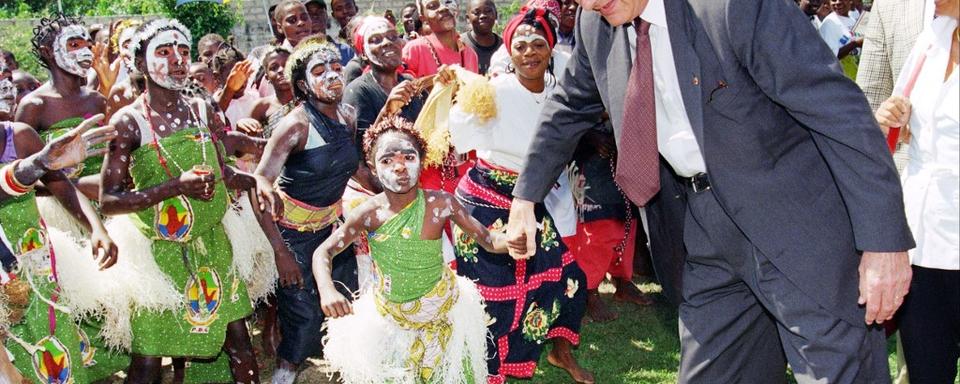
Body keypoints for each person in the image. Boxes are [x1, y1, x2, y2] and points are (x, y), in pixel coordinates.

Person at [504, 0, 915, 382]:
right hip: (704, 235)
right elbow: (569, 106)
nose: (591, 3)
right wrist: (525, 198)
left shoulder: (734, 6)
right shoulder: (599, 24)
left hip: (800, 234)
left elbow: (840, 112)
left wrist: (884, 243)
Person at [99, 19, 269, 383]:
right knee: (148, 358)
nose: (177, 59)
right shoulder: (129, 123)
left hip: (214, 248)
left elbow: (222, 172)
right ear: (140, 64)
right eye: (163, 52)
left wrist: (256, 181)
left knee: (238, 341)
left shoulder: (201, 109)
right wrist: (175, 187)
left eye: (182, 51)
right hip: (159, 257)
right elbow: (109, 200)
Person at [443, 9, 592, 383]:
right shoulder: (494, 90)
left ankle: (560, 353)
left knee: (566, 279)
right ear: (509, 51)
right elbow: (459, 138)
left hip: (530, 201)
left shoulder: (561, 90)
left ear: (551, 48)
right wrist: (468, 96)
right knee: (495, 296)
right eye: (520, 45)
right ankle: (490, 371)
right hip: (485, 202)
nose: (529, 52)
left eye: (538, 44)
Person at [316, 116, 496, 383]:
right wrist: (327, 290)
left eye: (408, 157)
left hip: (444, 310)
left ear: (421, 161)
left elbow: (488, 240)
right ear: (373, 169)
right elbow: (323, 253)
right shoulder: (369, 213)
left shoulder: (441, 204)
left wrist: (514, 241)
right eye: (387, 160)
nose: (399, 167)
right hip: (391, 321)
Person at [252, 40, 359, 384]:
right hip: (292, 240)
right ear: (302, 86)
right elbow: (260, 185)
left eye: (335, 67)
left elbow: (352, 167)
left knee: (344, 307)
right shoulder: (294, 126)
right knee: (303, 323)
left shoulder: (349, 116)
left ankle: (347, 374)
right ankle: (282, 377)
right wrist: (280, 253)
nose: (331, 76)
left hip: (333, 232)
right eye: (319, 71)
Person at [873, 2, 958, 382]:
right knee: (925, 372)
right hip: (921, 245)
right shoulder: (933, 37)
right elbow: (895, 120)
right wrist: (891, 117)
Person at [0, 114, 119, 384]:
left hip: (34, 257)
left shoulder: (18, 136)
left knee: (50, 330)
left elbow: (61, 187)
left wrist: (96, 228)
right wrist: (37, 164)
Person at [16, 14, 105, 201]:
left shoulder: (97, 101)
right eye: (74, 45)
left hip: (104, 204)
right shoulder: (34, 106)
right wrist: (79, 187)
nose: (86, 53)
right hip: (60, 210)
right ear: (48, 52)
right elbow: (20, 176)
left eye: (88, 46)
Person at [402, 0, 480, 78]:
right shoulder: (415, 49)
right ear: (423, 18)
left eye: (448, 1)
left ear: (457, 8)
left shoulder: (470, 54)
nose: (443, 8)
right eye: (432, 6)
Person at [819, 0, 864, 78]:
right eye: (833, 0)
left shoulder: (852, 19)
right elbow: (831, 57)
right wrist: (855, 44)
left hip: (859, 74)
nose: (838, 2)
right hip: (844, 79)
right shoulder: (829, 23)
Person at [460, 0, 502, 75]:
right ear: (467, 18)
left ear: (496, 15)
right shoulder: (459, 44)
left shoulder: (504, 47)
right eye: (476, 13)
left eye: (488, 11)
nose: (483, 16)